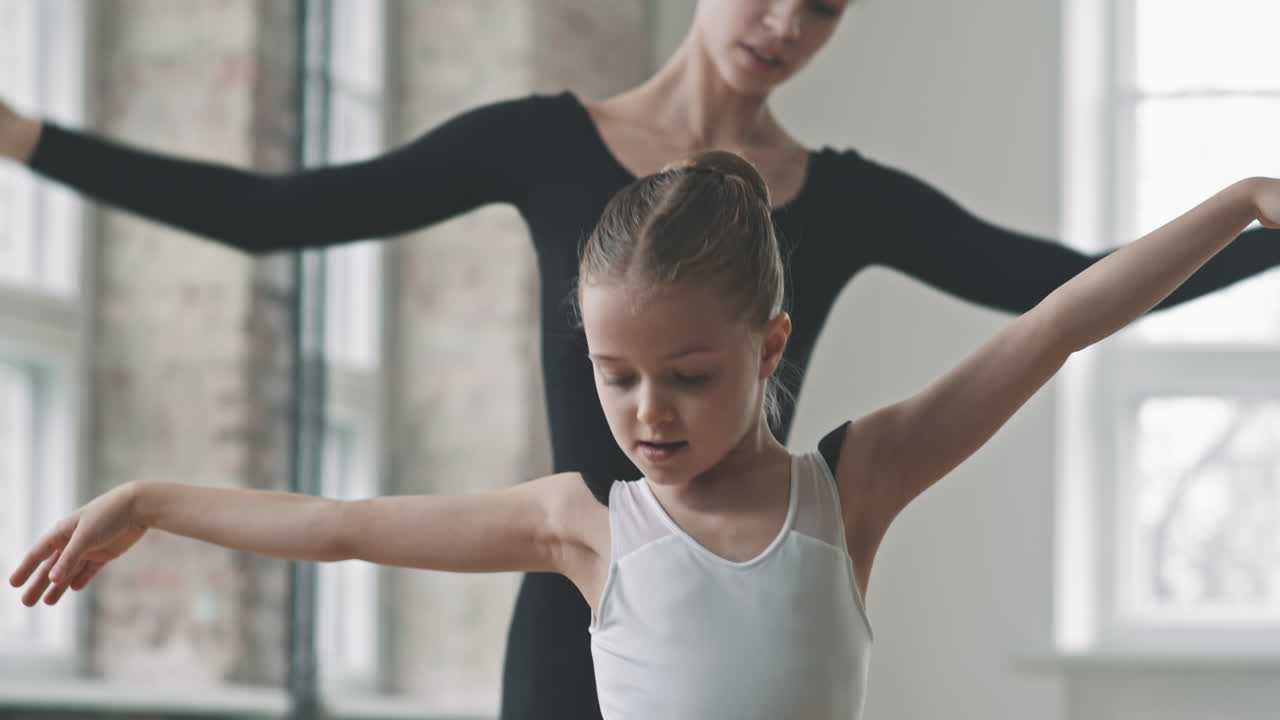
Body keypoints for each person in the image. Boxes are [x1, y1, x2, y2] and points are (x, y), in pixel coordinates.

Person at [2, 2, 1279, 717]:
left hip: (761, 561)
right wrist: (25, 139)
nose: (781, 23)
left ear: (761, 342)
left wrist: (1250, 212)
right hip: (581, 620)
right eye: (616, 372)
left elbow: (1053, 310)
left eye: (822, 5)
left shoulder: (852, 455)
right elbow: (332, 487)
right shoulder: (541, 162)